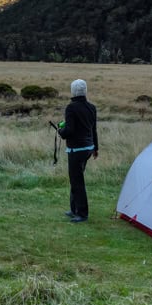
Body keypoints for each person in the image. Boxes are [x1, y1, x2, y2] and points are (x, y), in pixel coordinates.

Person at [57, 79, 98, 223]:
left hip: (76, 149)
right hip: (88, 148)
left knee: (77, 181)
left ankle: (82, 213)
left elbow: (69, 131)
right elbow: (93, 129)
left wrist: (60, 131)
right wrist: (96, 148)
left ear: (73, 91)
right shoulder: (92, 107)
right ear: (85, 91)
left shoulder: (71, 108)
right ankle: (74, 209)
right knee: (76, 179)